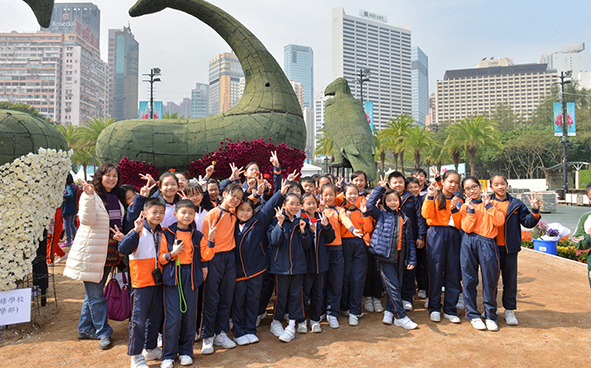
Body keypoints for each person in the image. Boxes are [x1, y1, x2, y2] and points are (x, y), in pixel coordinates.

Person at [64, 163, 125, 350]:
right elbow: (87, 221)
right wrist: (89, 197)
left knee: (93, 294)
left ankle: (84, 328)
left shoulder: (115, 198)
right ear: (100, 177)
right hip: (92, 254)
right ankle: (103, 332)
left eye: (114, 176)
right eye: (108, 176)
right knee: (97, 296)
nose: (111, 179)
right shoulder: (91, 196)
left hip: (109, 254)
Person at [158, 199, 215, 368]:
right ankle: (168, 355)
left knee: (189, 317)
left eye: (191, 213)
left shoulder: (197, 234)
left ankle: (186, 351)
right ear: (175, 214)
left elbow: (206, 256)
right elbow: (161, 258)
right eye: (183, 213)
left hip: (191, 276)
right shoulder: (166, 233)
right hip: (172, 276)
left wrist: (210, 240)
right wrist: (172, 254)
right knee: (173, 317)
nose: (187, 216)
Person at [232, 179, 288, 345]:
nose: (244, 213)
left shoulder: (259, 221)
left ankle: (250, 329)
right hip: (238, 272)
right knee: (239, 302)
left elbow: (270, 206)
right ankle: (238, 332)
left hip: (257, 269)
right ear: (235, 211)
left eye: (248, 210)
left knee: (253, 301)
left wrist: (281, 193)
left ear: (253, 211)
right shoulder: (231, 224)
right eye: (241, 210)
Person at [199, 182, 247, 354]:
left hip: (229, 257)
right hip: (213, 258)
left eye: (239, 198)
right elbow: (203, 241)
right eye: (233, 195)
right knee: (211, 297)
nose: (235, 200)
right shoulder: (212, 214)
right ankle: (207, 336)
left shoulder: (234, 214)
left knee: (227, 296)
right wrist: (204, 264)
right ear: (224, 194)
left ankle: (221, 332)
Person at [118, 198, 166, 368]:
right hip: (141, 284)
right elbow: (123, 249)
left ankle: (150, 347)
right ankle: (136, 356)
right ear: (145, 214)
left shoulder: (161, 233)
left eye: (161, 212)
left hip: (157, 282)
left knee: (155, 317)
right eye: (154, 212)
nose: (158, 215)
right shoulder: (138, 230)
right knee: (138, 320)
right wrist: (135, 230)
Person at [365, 176, 418, 329]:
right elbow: (369, 206)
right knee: (392, 286)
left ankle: (389, 312)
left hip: (400, 258)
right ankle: (401, 317)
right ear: (384, 202)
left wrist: (412, 260)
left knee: (396, 286)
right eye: (389, 200)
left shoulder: (404, 218)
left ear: (399, 201)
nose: (393, 203)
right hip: (385, 256)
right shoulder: (381, 214)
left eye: (395, 200)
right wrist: (380, 189)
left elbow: (410, 241)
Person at [489, 173, 540, 325]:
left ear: (507, 185)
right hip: (491, 248)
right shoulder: (488, 202)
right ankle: (492, 308)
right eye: (496, 184)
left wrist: (535, 211)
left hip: (510, 249)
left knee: (510, 281)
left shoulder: (516, 204)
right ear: (491, 187)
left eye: (502, 183)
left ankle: (509, 310)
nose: (500, 187)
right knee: (492, 280)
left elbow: (528, 222)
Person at [459, 177, 504, 331]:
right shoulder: (465, 207)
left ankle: (491, 315)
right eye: (468, 188)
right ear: (464, 191)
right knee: (469, 279)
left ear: (480, 187)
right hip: (468, 242)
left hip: (487, 242)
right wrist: (470, 210)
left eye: (474, 187)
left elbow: (499, 222)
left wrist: (488, 205)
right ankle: (473, 314)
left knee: (490, 279)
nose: (472, 191)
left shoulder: (493, 203)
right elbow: (466, 228)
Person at [267, 193, 311, 342]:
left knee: (295, 295)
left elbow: (307, 246)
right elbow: (274, 240)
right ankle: (276, 321)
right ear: (284, 205)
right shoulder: (275, 221)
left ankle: (292, 324)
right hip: (281, 267)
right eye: (291, 203)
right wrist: (279, 224)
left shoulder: (302, 222)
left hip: (298, 266)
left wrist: (304, 231)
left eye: (297, 204)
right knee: (281, 296)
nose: (294, 206)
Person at [421, 170, 463, 323]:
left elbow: (459, 223)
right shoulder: (435, 195)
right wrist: (430, 196)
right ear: (443, 181)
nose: (453, 185)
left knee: (453, 271)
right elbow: (426, 214)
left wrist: (454, 209)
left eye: (456, 182)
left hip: (453, 235)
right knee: (435, 271)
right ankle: (434, 307)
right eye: (450, 181)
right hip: (436, 233)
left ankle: (450, 309)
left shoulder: (458, 200)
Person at [388, 171, 427, 312]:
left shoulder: (411, 198)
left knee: (409, 268)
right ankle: (393, 297)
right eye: (394, 182)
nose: (398, 184)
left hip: (410, 239)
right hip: (391, 241)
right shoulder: (386, 198)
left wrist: (421, 236)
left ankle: (407, 297)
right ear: (389, 184)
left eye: (400, 182)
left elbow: (420, 218)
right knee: (392, 269)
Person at [339, 184, 375, 326]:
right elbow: (345, 221)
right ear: (344, 195)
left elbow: (368, 229)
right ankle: (345, 306)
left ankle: (354, 311)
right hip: (345, 245)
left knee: (358, 278)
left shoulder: (362, 210)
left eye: (355, 193)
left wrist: (365, 214)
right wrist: (353, 229)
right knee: (346, 278)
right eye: (349, 193)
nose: (352, 196)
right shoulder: (342, 210)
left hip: (360, 245)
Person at [301, 193, 335, 333]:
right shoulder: (300, 221)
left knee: (318, 293)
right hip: (305, 266)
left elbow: (330, 239)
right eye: (308, 203)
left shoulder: (321, 219)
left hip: (320, 264)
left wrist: (326, 227)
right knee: (303, 293)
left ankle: (315, 320)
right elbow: (303, 245)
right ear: (302, 206)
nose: (311, 206)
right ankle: (301, 320)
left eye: (313, 203)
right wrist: (307, 231)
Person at [320, 183, 344, 328]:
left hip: (336, 250)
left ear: (336, 196)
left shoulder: (340, 210)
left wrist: (353, 229)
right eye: (325, 195)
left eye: (331, 194)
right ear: (321, 196)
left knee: (335, 282)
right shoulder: (316, 210)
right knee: (321, 283)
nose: (328, 197)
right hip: (321, 250)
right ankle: (321, 310)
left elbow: (345, 221)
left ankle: (333, 312)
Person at [61, 173, 78, 247]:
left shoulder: (68, 187)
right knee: (71, 224)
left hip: (67, 208)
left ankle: (68, 241)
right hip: (73, 208)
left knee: (67, 225)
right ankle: (75, 239)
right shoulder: (73, 186)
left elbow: (70, 195)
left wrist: (62, 195)